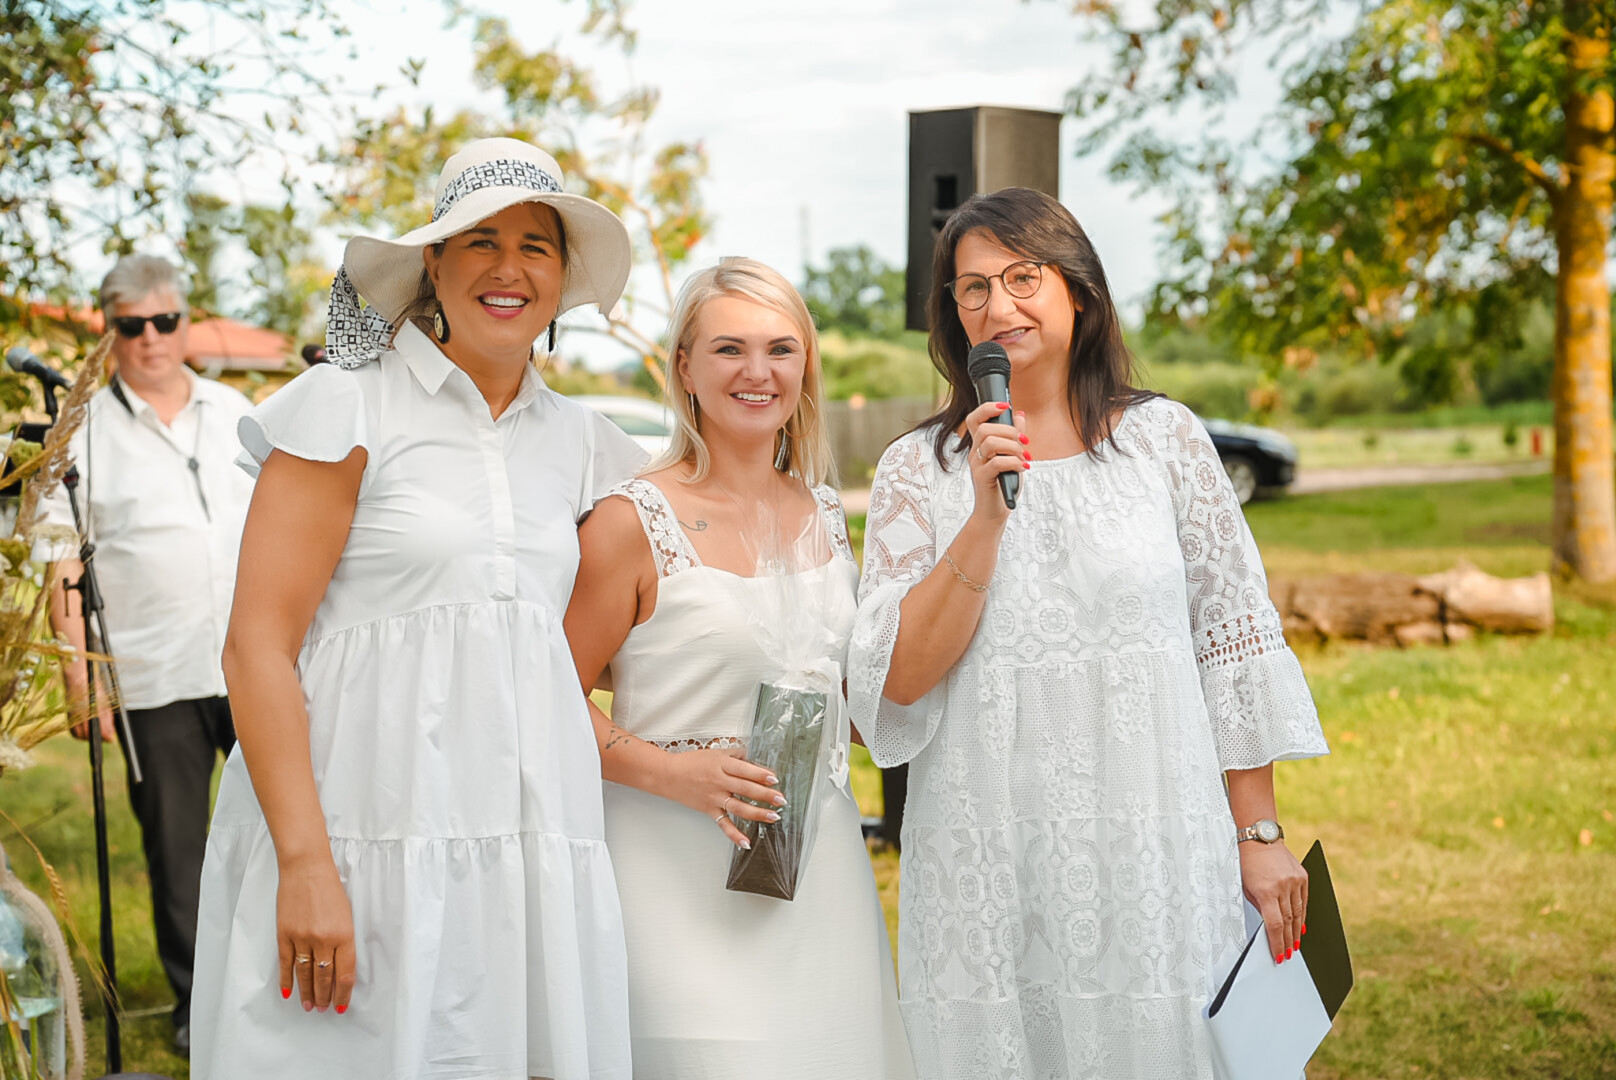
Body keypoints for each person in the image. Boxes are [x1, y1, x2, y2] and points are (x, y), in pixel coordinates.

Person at [847, 188, 1330, 1080]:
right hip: (990, 849)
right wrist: (983, 520)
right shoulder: (917, 469)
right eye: (973, 287)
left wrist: (1258, 836)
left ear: (1078, 289)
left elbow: (1232, 642)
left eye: (1022, 277)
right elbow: (898, 680)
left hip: (1156, 834)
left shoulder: (1167, 441)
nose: (998, 305)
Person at [190, 138, 645, 1080]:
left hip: (521, 846)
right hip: (357, 833)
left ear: (562, 277)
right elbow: (256, 649)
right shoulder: (347, 406)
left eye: (535, 245)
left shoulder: (588, 446)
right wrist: (306, 864)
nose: (509, 269)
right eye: (480, 241)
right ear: (433, 263)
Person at [564, 257, 914, 1079]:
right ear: (685, 368)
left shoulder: (822, 509)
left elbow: (851, 693)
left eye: (780, 349)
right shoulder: (627, 520)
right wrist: (673, 773)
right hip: (670, 875)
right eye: (729, 348)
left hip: (817, 868)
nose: (758, 371)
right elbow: (546, 697)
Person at [37, 253, 255, 1054]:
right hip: (152, 672)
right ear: (109, 331)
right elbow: (62, 561)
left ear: (185, 322)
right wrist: (79, 679)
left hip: (256, 660)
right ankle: (200, 1004)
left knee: (284, 827)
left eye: (165, 321)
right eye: (132, 326)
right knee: (177, 850)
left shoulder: (237, 411)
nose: (151, 338)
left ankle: (279, 989)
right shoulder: (81, 433)